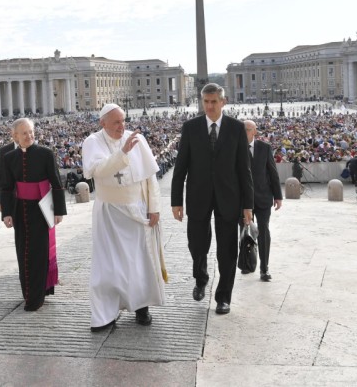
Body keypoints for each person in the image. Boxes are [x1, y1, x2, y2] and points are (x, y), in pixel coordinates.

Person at [170, 83, 254, 315]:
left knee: (227, 250)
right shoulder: (190, 127)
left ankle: (223, 297)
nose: (209, 106)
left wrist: (248, 205)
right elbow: (181, 166)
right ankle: (201, 277)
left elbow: (244, 169)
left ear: (223, 102)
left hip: (229, 197)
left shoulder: (237, 128)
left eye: (213, 102)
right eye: (205, 102)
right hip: (198, 196)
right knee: (196, 245)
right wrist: (176, 201)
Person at [82, 104, 166, 332]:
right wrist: (122, 154)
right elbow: (97, 170)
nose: (122, 126)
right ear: (103, 123)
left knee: (139, 262)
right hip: (110, 213)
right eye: (116, 122)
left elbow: (150, 178)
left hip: (137, 210)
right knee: (108, 266)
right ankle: (105, 314)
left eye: (123, 121)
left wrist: (154, 207)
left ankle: (141, 308)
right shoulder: (93, 142)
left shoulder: (136, 139)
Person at [0, 118, 67, 312]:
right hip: (20, 211)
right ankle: (29, 293)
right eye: (24, 133)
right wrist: (6, 213)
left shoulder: (45, 154)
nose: (29, 136)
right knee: (23, 253)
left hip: (41, 211)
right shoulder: (9, 157)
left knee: (39, 253)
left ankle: (36, 298)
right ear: (15, 136)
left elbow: (56, 183)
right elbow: (6, 188)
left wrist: (59, 211)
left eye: (31, 132)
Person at [244, 120, 283, 281]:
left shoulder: (265, 148)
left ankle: (264, 268)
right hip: (243, 200)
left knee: (263, 231)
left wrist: (278, 196)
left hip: (263, 197)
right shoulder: (235, 148)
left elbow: (273, 172)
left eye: (247, 130)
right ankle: (246, 263)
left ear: (254, 131)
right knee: (244, 231)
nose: (244, 132)